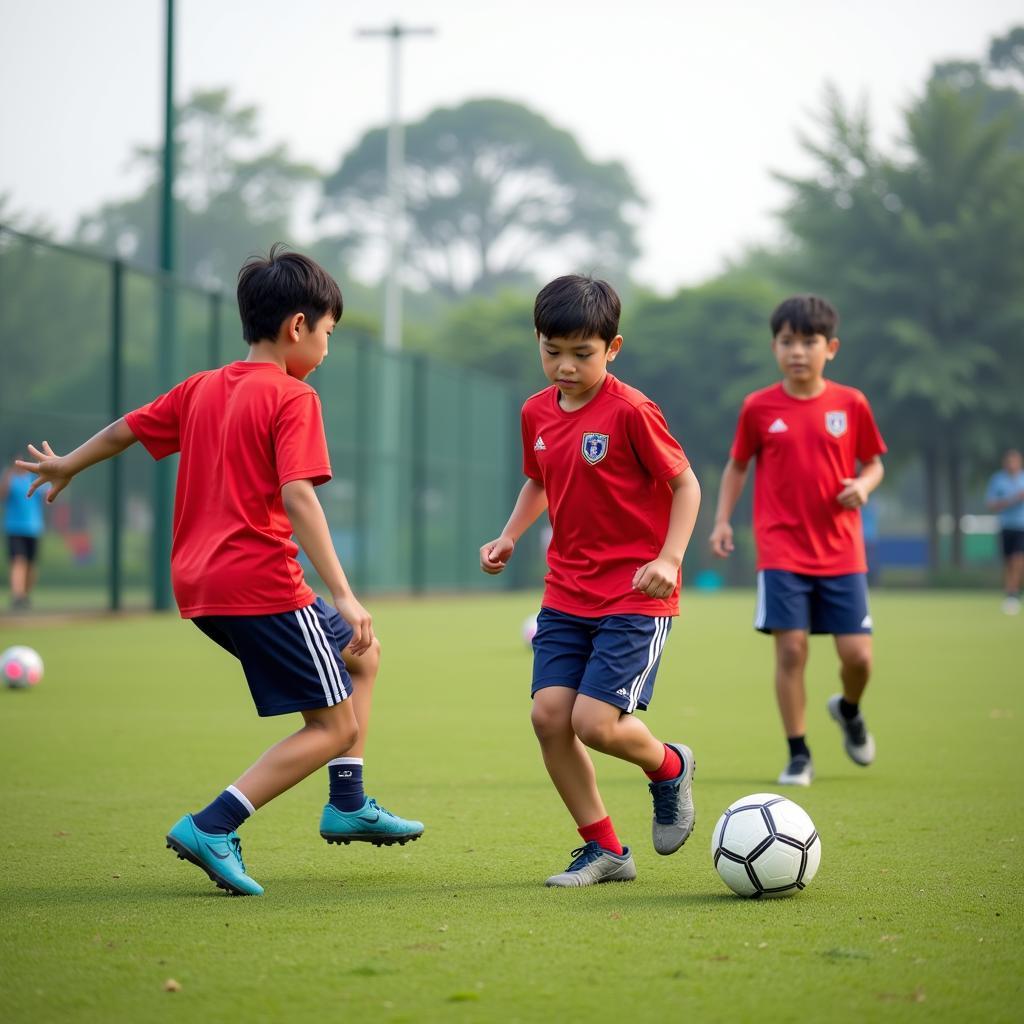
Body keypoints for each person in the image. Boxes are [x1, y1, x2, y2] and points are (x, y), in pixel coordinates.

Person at [17, 245, 423, 896]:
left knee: (359, 657)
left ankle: (348, 802)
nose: (326, 349)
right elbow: (299, 494)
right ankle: (214, 824)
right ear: (297, 326)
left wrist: (69, 463)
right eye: (328, 335)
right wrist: (345, 594)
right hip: (259, 583)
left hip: (199, 585)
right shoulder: (294, 399)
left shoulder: (203, 388)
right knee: (335, 725)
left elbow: (126, 428)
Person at [480, 275, 702, 888]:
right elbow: (539, 479)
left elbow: (686, 485)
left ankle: (670, 766)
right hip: (566, 594)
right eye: (553, 350)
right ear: (538, 341)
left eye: (583, 353)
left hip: (634, 596)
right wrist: (509, 535)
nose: (566, 366)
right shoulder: (535, 412)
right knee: (550, 717)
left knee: (594, 724)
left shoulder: (632, 411)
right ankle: (605, 849)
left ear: (613, 348)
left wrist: (670, 559)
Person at [709, 294, 886, 788]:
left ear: (830, 348)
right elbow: (738, 465)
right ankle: (798, 753)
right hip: (781, 550)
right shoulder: (759, 407)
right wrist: (723, 520)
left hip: (842, 551)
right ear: (775, 347)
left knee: (859, 657)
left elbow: (874, 462)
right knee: (791, 651)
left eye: (809, 341)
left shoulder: (851, 404)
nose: (798, 351)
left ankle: (848, 711)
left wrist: (863, 486)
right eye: (788, 341)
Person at [1, 457, 47, 610]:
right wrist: (7, 476)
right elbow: (3, 496)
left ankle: (25, 594)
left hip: (34, 528)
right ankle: (17, 595)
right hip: (14, 528)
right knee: (18, 561)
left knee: (31, 565)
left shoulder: (35, 479)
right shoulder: (10, 479)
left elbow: (47, 497)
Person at [985, 448, 1024, 615]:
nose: (1011, 464)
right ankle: (1010, 592)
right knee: (1008, 562)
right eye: (1009, 461)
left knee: (1018, 559)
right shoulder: (998, 480)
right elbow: (991, 504)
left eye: (1014, 461)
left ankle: (1013, 595)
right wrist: (1013, 500)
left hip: (1022, 526)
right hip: (1005, 525)